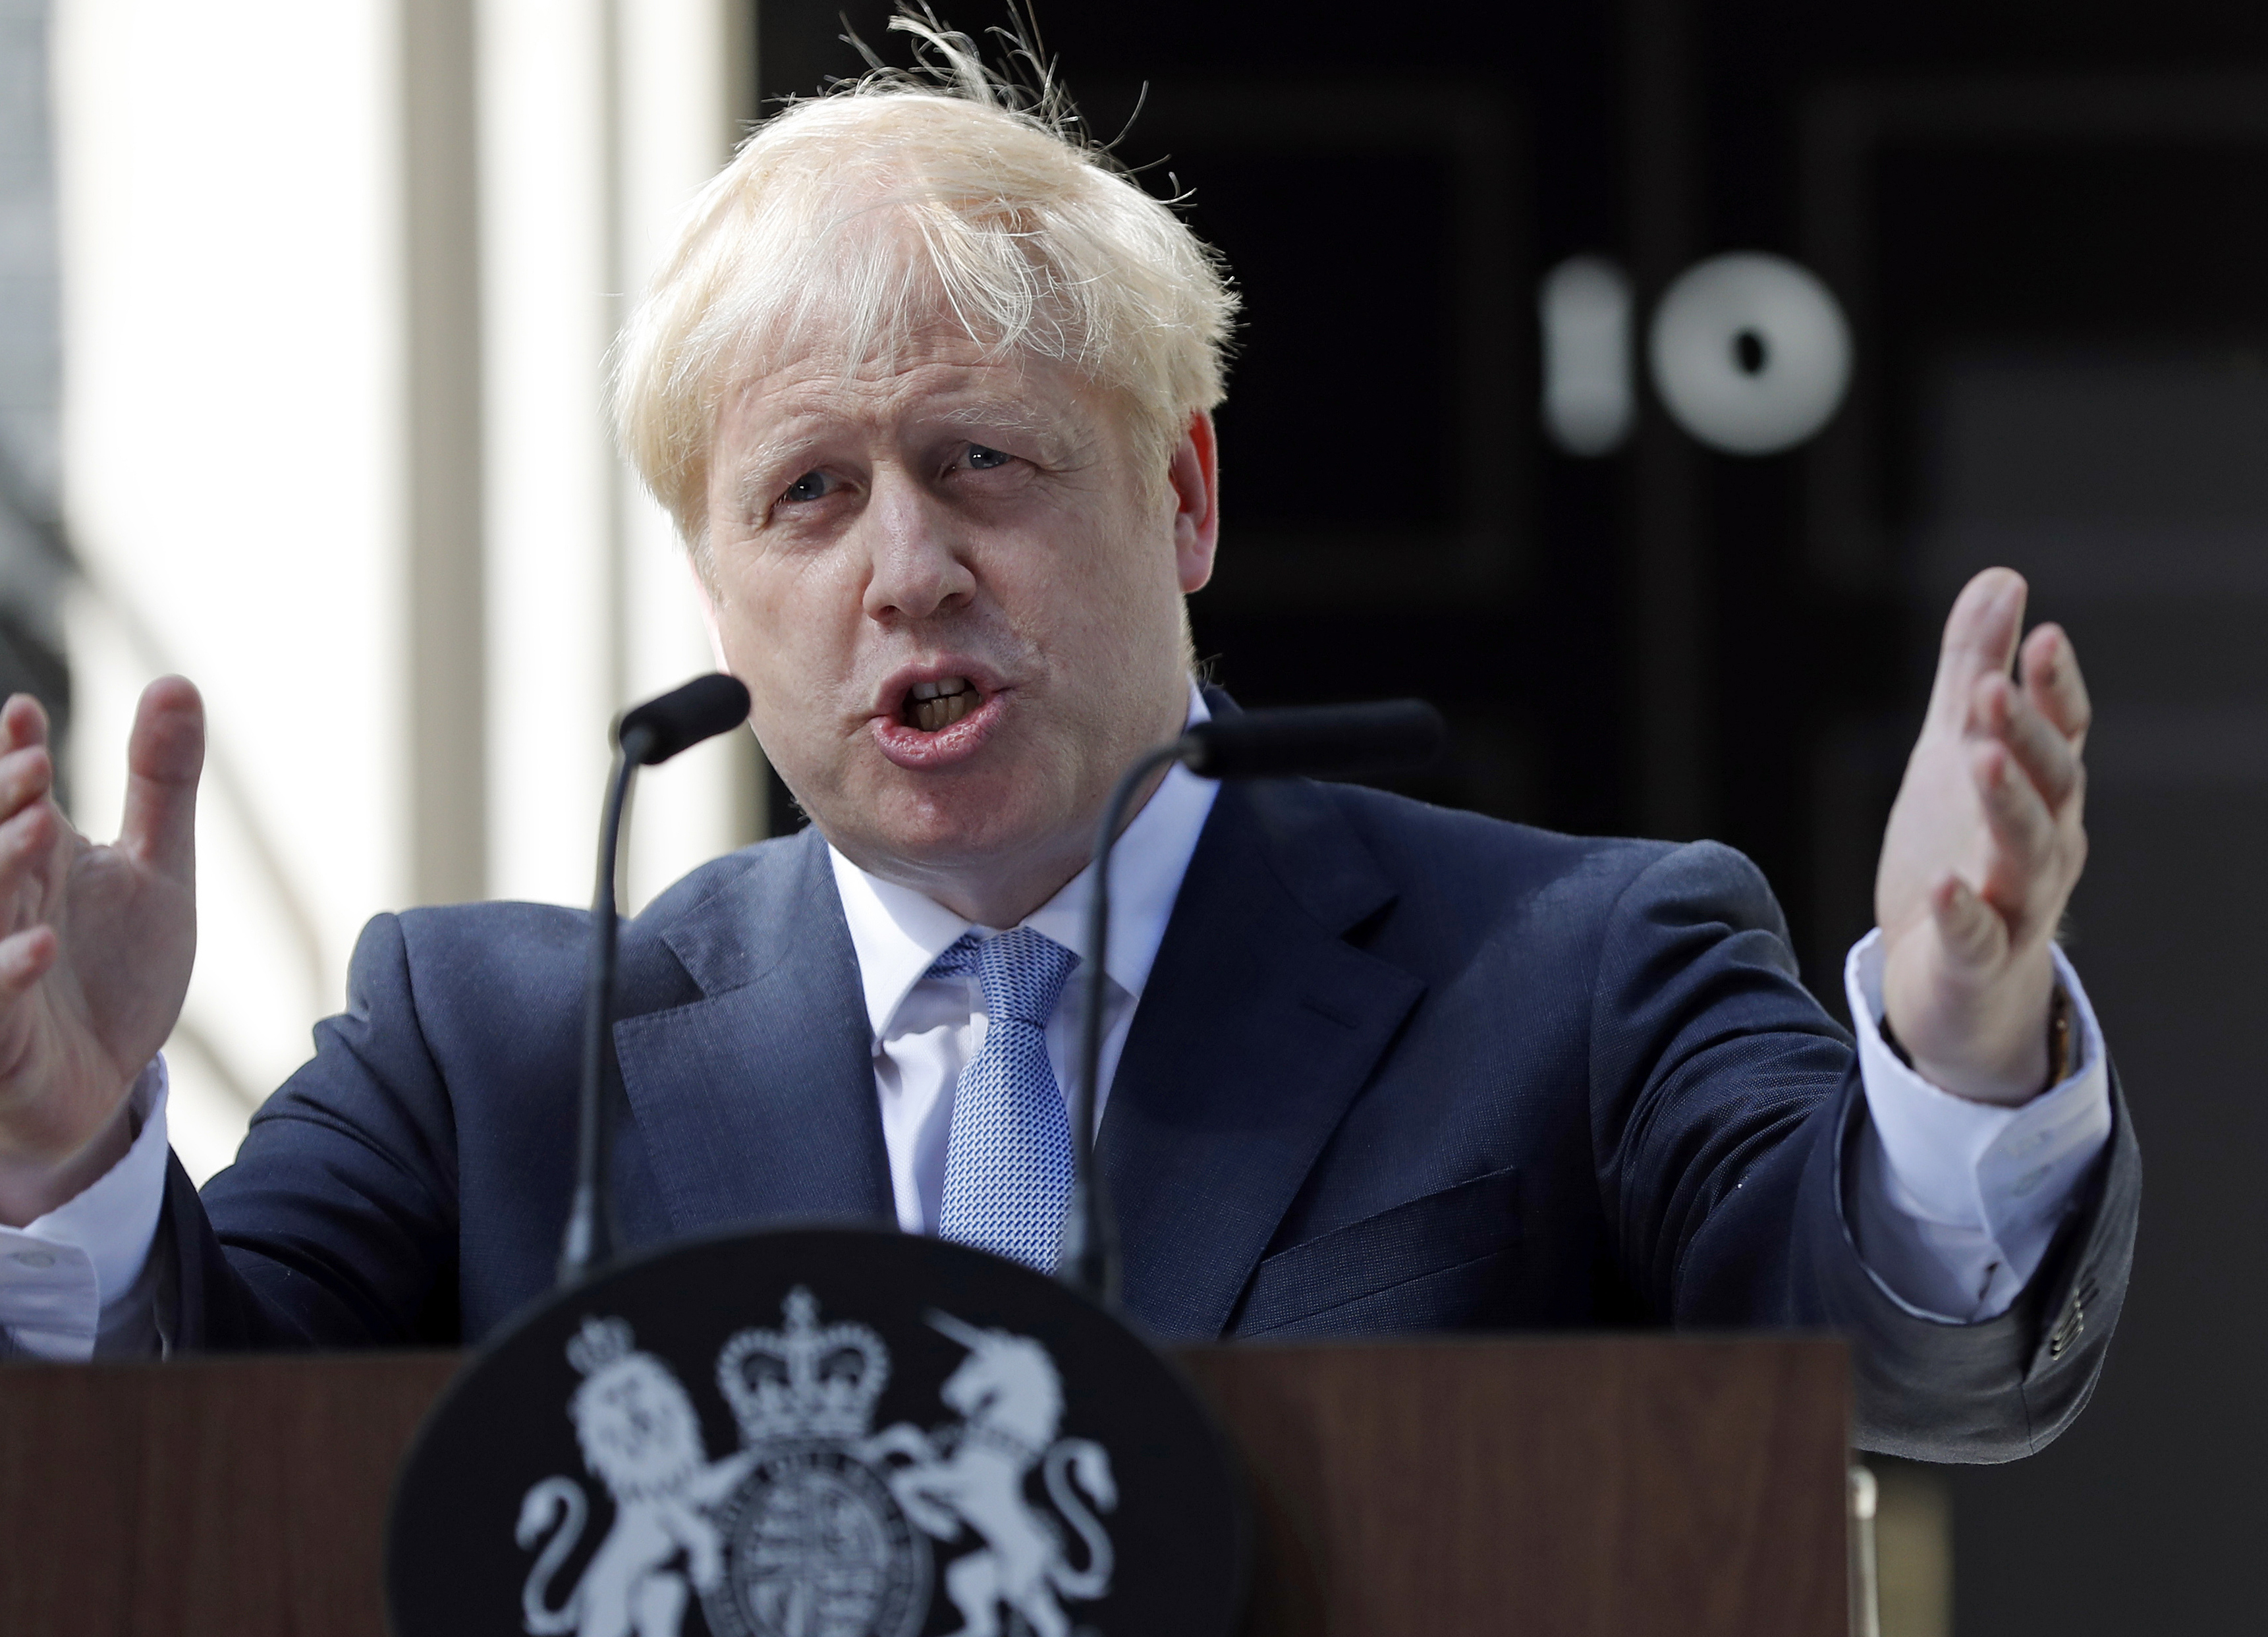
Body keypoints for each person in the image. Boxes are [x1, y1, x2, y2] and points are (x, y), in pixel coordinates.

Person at [0, 23, 2132, 1461]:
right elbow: (186, 1483)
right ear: (717, 587)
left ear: (1184, 496)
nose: (903, 568)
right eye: (806, 496)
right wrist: (68, 1164)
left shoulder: (1575, 970)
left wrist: (1953, 1045)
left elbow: (1893, 1360)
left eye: (982, 461)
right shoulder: (481, 1048)